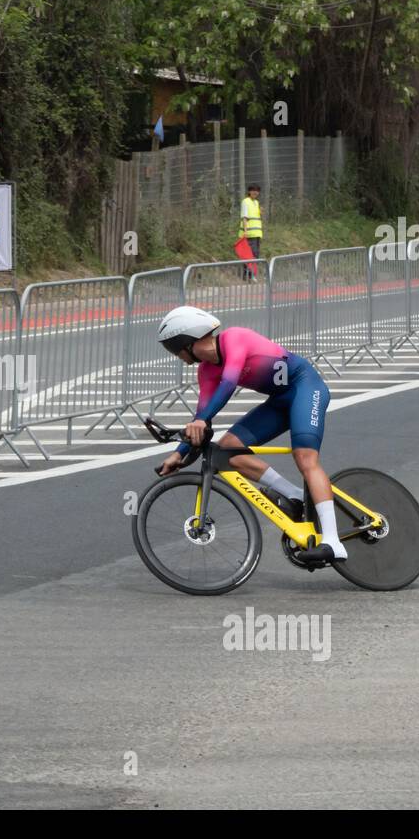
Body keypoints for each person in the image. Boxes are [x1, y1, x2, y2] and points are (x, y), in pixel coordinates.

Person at [156, 305, 346, 564]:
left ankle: (333, 543)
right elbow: (203, 416)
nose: (175, 355)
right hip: (279, 401)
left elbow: (230, 381)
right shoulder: (207, 371)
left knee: (305, 458)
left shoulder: (235, 338)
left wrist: (200, 420)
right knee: (227, 451)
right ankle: (294, 495)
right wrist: (178, 453)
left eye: (172, 347)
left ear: (186, 340)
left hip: (306, 388)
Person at [239, 184, 262, 281]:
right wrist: (245, 231)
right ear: (249, 192)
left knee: (255, 254)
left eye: (257, 190)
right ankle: (249, 275)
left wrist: (260, 212)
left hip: (257, 234)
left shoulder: (256, 202)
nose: (255, 192)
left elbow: (255, 217)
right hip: (249, 234)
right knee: (250, 255)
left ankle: (249, 274)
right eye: (253, 190)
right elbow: (244, 217)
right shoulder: (245, 201)